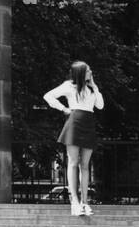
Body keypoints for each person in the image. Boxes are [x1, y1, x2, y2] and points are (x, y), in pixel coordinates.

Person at [44, 61, 104, 216]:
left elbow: (100, 105)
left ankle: (85, 202)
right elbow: (48, 96)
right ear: (81, 72)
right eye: (88, 70)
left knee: (85, 165)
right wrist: (64, 109)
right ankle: (74, 202)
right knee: (73, 162)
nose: (91, 72)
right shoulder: (68, 86)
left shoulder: (91, 88)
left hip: (88, 122)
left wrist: (95, 86)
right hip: (74, 122)